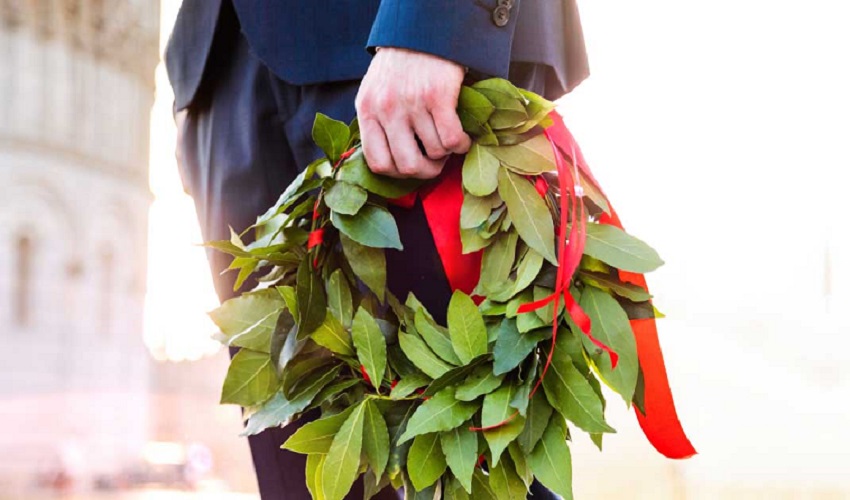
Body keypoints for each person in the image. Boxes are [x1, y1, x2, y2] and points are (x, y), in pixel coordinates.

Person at [166, 1, 589, 498]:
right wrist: (196, 108)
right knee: (313, 480)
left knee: (469, 460)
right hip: (221, 65)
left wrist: (436, 21)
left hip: (402, 47)